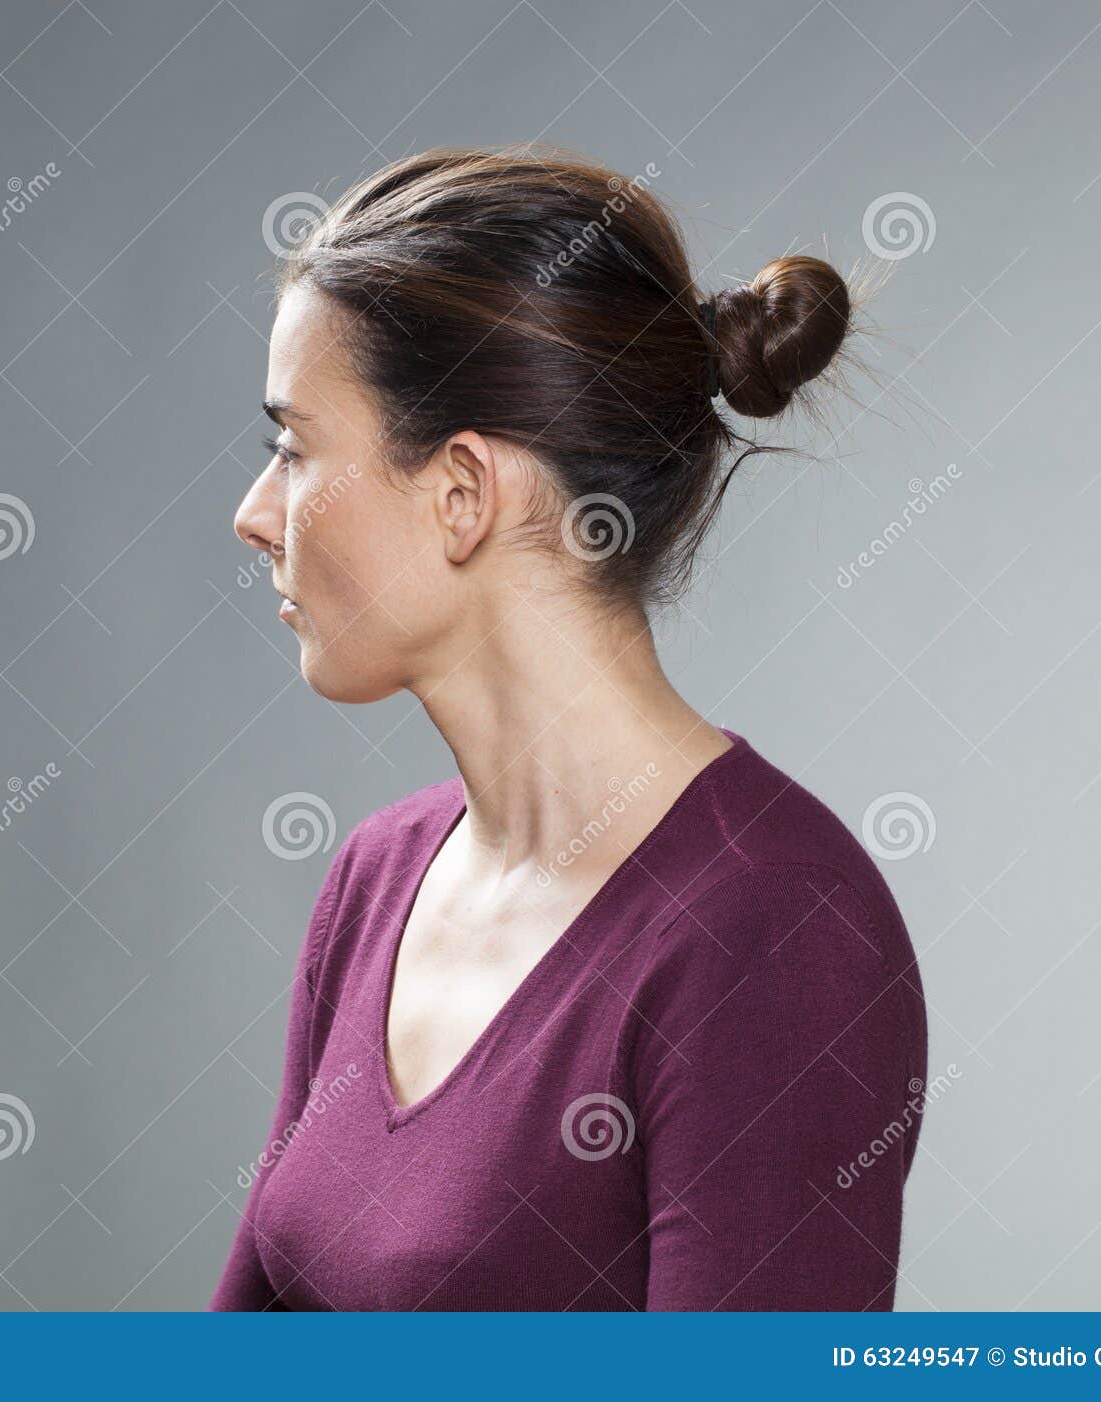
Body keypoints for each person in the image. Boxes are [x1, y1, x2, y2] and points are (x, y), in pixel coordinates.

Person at [218, 146, 927, 1310]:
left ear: (461, 491)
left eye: (294, 449)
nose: (255, 516)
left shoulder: (770, 926)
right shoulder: (373, 880)